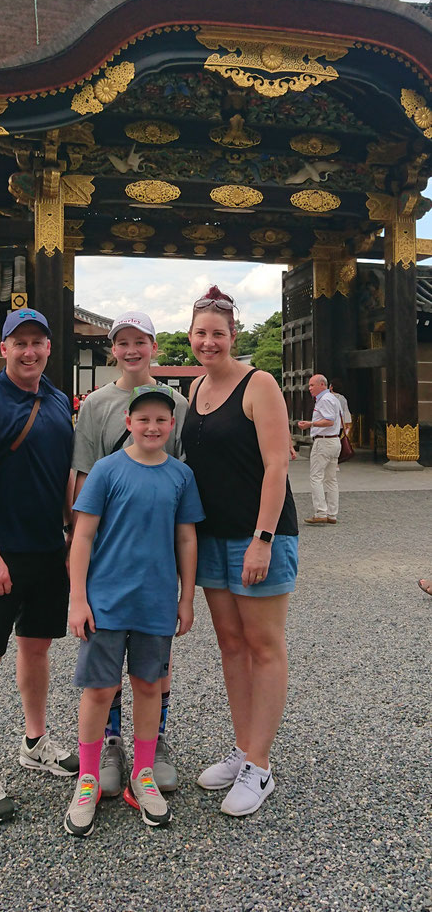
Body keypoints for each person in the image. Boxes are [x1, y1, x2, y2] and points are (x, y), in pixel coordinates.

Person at [0, 308, 78, 823]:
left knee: (37, 647)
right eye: (19, 342)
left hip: (48, 549)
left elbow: (65, 475)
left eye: (38, 342)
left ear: (49, 348)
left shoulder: (55, 399)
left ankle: (34, 740)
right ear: (3, 348)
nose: (30, 351)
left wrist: (74, 535)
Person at [65, 384, 204, 837]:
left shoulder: (180, 477)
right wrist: (78, 597)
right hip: (105, 600)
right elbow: (82, 536)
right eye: (143, 419)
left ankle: (142, 773)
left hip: (156, 600)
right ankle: (88, 775)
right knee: (99, 690)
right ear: (128, 423)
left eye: (161, 420)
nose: (152, 426)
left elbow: (186, 537)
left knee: (148, 685)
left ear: (172, 425)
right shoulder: (106, 470)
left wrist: (186, 598)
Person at [182, 286, 298, 817]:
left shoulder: (259, 383)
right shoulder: (195, 389)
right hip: (211, 535)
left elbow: (277, 465)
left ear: (233, 336)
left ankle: (261, 765)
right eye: (201, 333)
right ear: (190, 337)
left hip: (259, 535)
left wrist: (263, 538)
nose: (209, 342)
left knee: (264, 645)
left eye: (218, 333)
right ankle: (242, 746)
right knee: (231, 645)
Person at [72, 311, 189, 798]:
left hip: (155, 555)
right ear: (112, 349)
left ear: (155, 346)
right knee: (104, 663)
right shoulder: (97, 404)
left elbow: (180, 478)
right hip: (107, 551)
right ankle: (110, 743)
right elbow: (82, 473)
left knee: (151, 664)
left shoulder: (178, 403)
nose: (132, 349)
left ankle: (152, 743)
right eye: (123, 342)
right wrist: (74, 546)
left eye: (141, 340)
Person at [298, 374, 342, 526]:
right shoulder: (333, 399)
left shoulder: (324, 400)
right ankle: (332, 514)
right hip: (335, 440)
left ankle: (320, 512)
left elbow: (329, 421)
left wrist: (311, 424)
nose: (309, 388)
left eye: (312, 385)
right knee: (331, 478)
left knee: (316, 477)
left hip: (323, 442)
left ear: (322, 384)